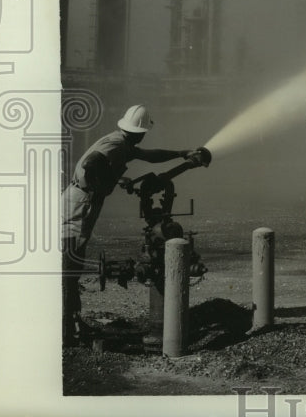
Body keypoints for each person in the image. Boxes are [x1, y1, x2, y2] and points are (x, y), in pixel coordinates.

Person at [61, 104, 201, 346]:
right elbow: (91, 165)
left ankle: (71, 321)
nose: (145, 136)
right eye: (144, 131)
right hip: (81, 202)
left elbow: (150, 156)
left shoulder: (123, 143)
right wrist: (117, 179)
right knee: (70, 263)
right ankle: (67, 328)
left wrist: (181, 153)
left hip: (83, 200)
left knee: (73, 261)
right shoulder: (116, 144)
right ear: (140, 132)